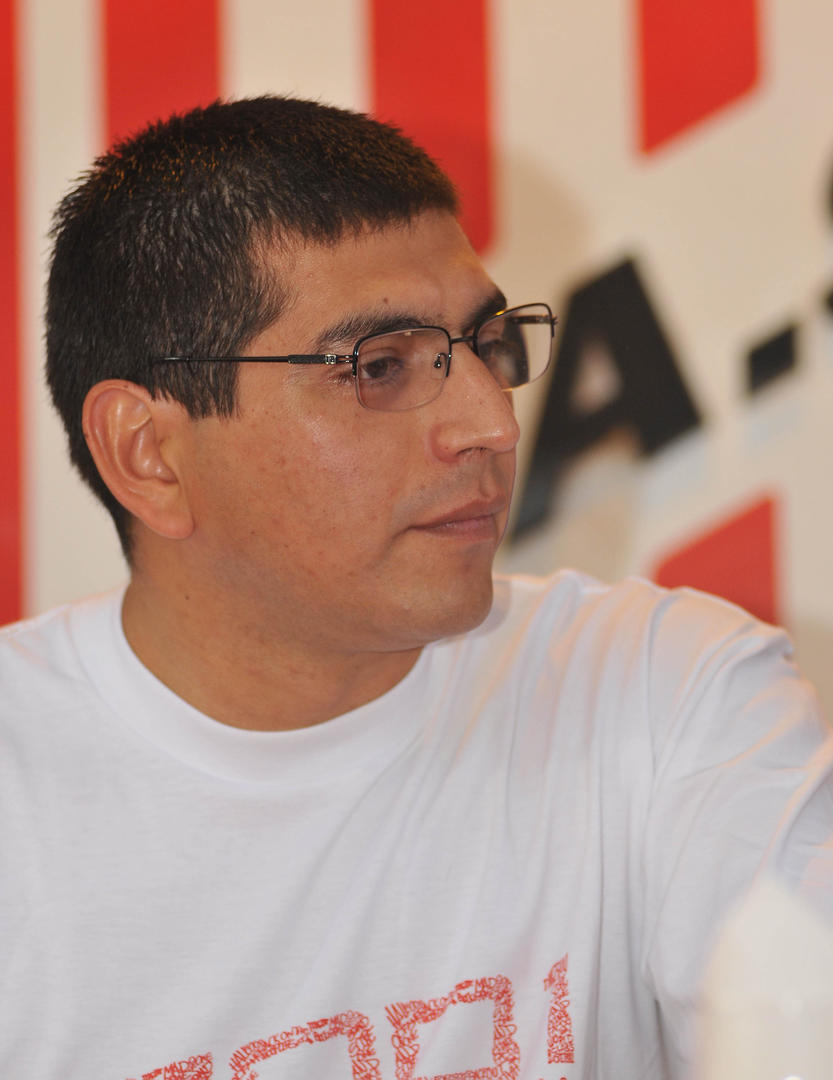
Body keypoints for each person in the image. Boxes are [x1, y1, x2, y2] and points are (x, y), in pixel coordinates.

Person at [1, 95, 831, 1080]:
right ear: (149, 454)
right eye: (378, 367)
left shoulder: (663, 691)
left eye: (487, 344)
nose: (492, 423)